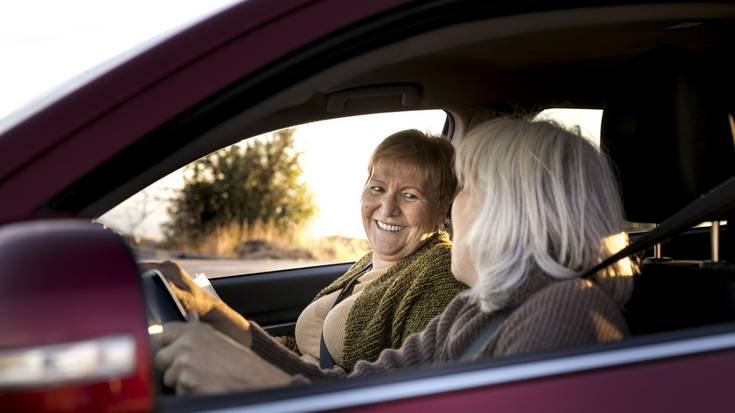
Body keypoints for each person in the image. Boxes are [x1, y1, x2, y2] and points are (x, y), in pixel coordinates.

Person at [154, 117, 636, 394]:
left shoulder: (567, 317)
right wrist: (214, 314)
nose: (451, 212)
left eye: (465, 190)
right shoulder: (481, 309)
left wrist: (255, 384)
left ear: (514, 212)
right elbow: (356, 389)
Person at [146, 129, 466, 375]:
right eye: (378, 188)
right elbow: (299, 354)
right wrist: (213, 316)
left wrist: (240, 366)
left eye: (409, 196)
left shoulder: (438, 275)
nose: (387, 208)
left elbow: (394, 389)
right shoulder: (371, 262)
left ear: (441, 210)